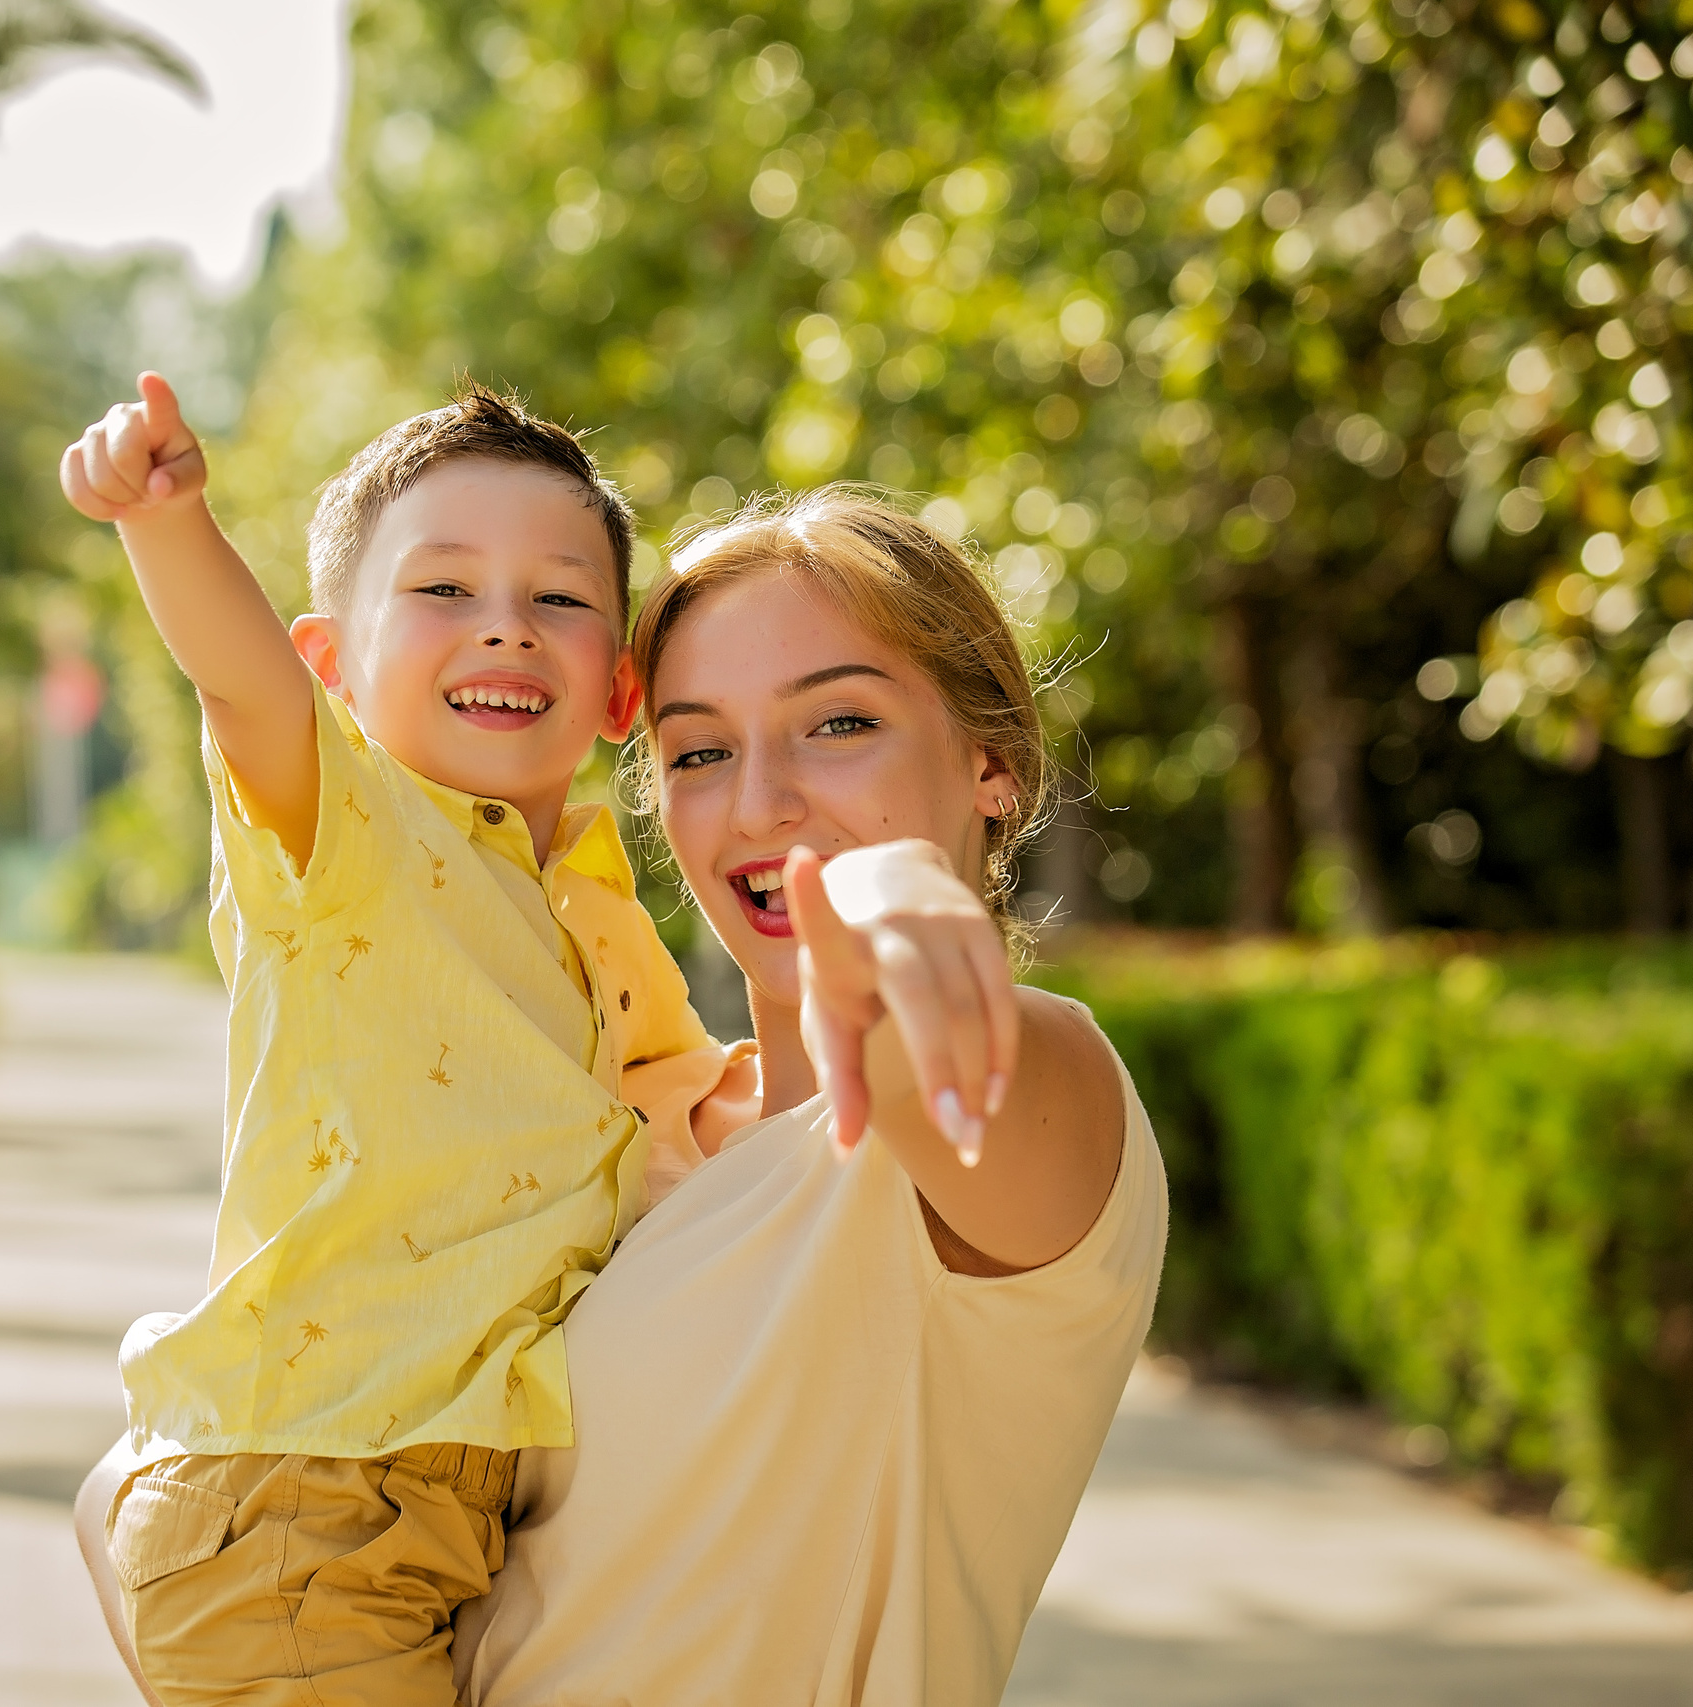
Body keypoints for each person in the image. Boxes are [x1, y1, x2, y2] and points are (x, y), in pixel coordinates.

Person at [56, 376, 727, 1706]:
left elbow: (690, 1099)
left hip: (475, 1495)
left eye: (560, 599)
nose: (507, 630)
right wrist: (166, 521)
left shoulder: (600, 904)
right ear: (334, 665)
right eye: (442, 592)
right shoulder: (342, 827)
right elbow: (238, 683)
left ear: (619, 689)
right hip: (306, 1498)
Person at [450, 489, 1169, 1704]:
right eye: (700, 751)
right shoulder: (620, 1127)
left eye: (838, 724)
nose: (759, 804)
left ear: (987, 765)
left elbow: (921, 1046)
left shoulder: (1022, 1093)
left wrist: (900, 897)